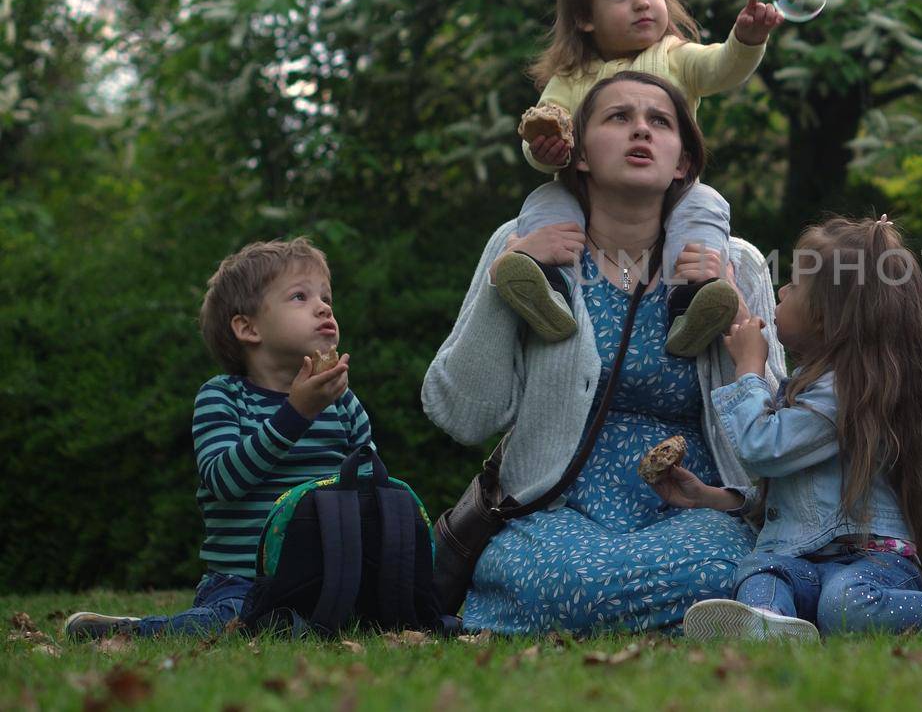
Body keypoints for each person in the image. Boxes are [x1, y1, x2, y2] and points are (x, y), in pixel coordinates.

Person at [422, 71, 785, 636]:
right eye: (618, 118)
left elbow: (780, 424)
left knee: (722, 567)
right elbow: (462, 415)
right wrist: (504, 282)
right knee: (565, 578)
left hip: (697, 509)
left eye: (659, 122)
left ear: (683, 162)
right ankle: (695, 623)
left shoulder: (736, 261)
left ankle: (600, 619)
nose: (640, 130)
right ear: (581, 155)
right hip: (558, 510)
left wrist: (736, 306)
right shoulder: (520, 245)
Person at [654, 217, 922, 641]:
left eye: (794, 284)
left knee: (844, 602)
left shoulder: (846, 394)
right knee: (762, 571)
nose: (782, 291)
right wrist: (714, 497)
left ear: (828, 317)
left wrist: (749, 370)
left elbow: (763, 447)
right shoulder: (812, 386)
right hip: (806, 564)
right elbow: (805, 497)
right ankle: (767, 626)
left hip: (872, 568)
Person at [499, 0, 782, 359]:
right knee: (544, 201)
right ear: (584, 17)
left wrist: (746, 41)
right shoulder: (571, 78)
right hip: (589, 200)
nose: (642, 2)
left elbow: (720, 67)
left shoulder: (674, 55)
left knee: (706, 204)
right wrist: (547, 152)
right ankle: (547, 287)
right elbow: (543, 130)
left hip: (671, 192)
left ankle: (692, 299)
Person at [65, 238, 370, 638]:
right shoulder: (222, 396)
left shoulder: (344, 404)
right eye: (300, 296)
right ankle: (132, 632)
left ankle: (292, 623)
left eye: (325, 297)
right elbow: (226, 481)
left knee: (373, 616)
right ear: (248, 327)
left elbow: (368, 491)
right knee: (235, 620)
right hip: (242, 581)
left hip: (327, 579)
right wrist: (297, 414)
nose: (323, 306)